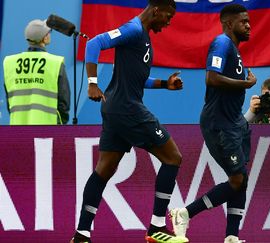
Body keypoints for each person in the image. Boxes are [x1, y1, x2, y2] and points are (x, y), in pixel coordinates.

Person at [70, 1, 188, 243]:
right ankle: (156, 227)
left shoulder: (141, 35)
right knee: (173, 157)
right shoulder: (133, 29)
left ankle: (81, 235)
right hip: (127, 110)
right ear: (156, 10)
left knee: (103, 171)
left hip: (115, 110)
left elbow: (138, 79)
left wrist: (165, 84)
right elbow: (94, 43)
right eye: (169, 15)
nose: (169, 21)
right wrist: (92, 82)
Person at [169, 4, 256, 243]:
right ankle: (185, 213)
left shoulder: (234, 51)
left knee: (241, 179)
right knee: (237, 180)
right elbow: (212, 77)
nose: (248, 26)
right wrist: (246, 85)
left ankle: (231, 237)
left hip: (235, 123)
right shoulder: (222, 43)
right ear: (229, 24)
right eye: (243, 22)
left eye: (249, 21)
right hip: (219, 124)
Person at [3, 19, 70, 125]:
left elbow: (9, 102)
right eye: (49, 32)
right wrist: (60, 124)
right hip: (47, 131)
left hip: (17, 129)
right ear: (45, 37)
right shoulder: (55, 63)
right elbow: (64, 103)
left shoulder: (10, 62)